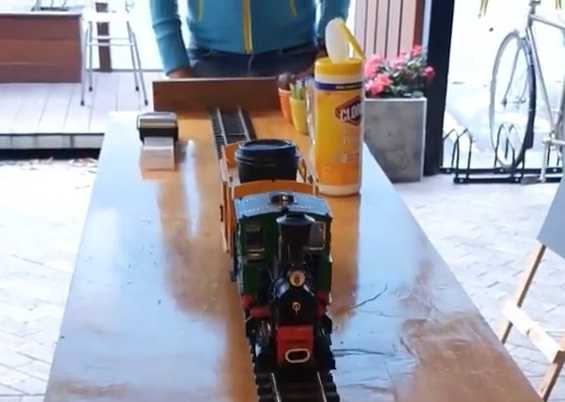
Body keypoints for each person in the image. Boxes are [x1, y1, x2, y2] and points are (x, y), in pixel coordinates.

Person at [150, 0, 350, 78]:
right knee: (205, 154)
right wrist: (176, 65)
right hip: (208, 62)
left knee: (304, 154)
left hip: (295, 60)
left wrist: (327, 46)